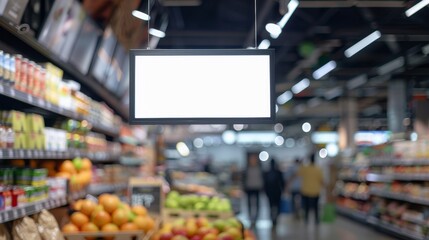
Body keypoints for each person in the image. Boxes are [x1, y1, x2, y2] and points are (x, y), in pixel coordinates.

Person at [298, 154, 324, 225]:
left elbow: (297, 174)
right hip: (315, 191)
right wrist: (326, 188)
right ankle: (316, 220)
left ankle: (306, 220)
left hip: (305, 191)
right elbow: (321, 181)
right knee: (315, 207)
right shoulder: (318, 169)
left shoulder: (305, 168)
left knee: (306, 207)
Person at [243, 152, 264, 224]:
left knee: (257, 203)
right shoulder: (246, 169)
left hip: (257, 187)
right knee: (249, 203)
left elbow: (262, 178)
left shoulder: (260, 168)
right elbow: (244, 179)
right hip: (249, 187)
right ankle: (250, 217)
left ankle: (256, 217)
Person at [264, 158, 285, 226]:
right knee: (277, 205)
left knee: (271, 206)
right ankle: (275, 218)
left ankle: (272, 218)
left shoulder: (267, 173)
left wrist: (266, 191)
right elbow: (282, 182)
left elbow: (265, 184)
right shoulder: (278, 172)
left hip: (270, 192)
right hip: (277, 191)